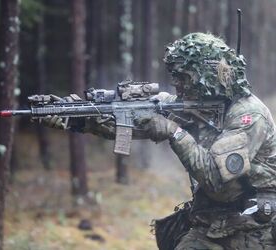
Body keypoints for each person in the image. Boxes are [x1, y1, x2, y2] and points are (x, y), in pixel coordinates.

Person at [44, 33, 276, 249]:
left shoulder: (248, 115)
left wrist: (174, 133)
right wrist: (76, 118)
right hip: (214, 220)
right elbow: (134, 124)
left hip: (253, 225)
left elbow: (215, 179)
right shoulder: (195, 105)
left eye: (184, 77)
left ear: (209, 75)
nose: (177, 85)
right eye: (176, 77)